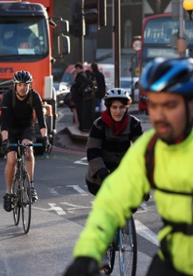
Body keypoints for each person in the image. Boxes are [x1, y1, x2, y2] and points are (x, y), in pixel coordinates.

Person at [64, 56, 193, 276]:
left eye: (170, 105)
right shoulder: (150, 149)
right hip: (173, 260)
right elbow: (111, 203)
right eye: (154, 105)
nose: (159, 116)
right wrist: (86, 256)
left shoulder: (134, 126)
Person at [85, 88, 143, 270]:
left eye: (121, 108)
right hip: (100, 173)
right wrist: (104, 175)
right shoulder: (99, 125)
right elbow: (92, 152)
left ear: (127, 108)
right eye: (114, 107)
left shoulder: (134, 124)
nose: (118, 111)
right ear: (108, 107)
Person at [0, 70, 51, 211]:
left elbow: (42, 121)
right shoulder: (7, 97)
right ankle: (9, 193)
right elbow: (4, 122)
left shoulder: (34, 97)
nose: (23, 88)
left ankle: (31, 186)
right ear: (15, 85)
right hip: (11, 130)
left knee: (28, 151)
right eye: (20, 85)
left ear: (30, 85)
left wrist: (45, 138)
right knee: (11, 160)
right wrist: (5, 141)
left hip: (26, 128)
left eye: (26, 85)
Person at [70, 62, 89, 132]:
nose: (77, 70)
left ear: (81, 68)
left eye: (78, 68)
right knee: (79, 112)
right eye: (76, 68)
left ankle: (81, 127)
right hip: (78, 97)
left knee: (80, 112)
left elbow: (86, 82)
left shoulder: (81, 76)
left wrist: (79, 90)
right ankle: (81, 126)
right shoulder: (79, 76)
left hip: (79, 97)